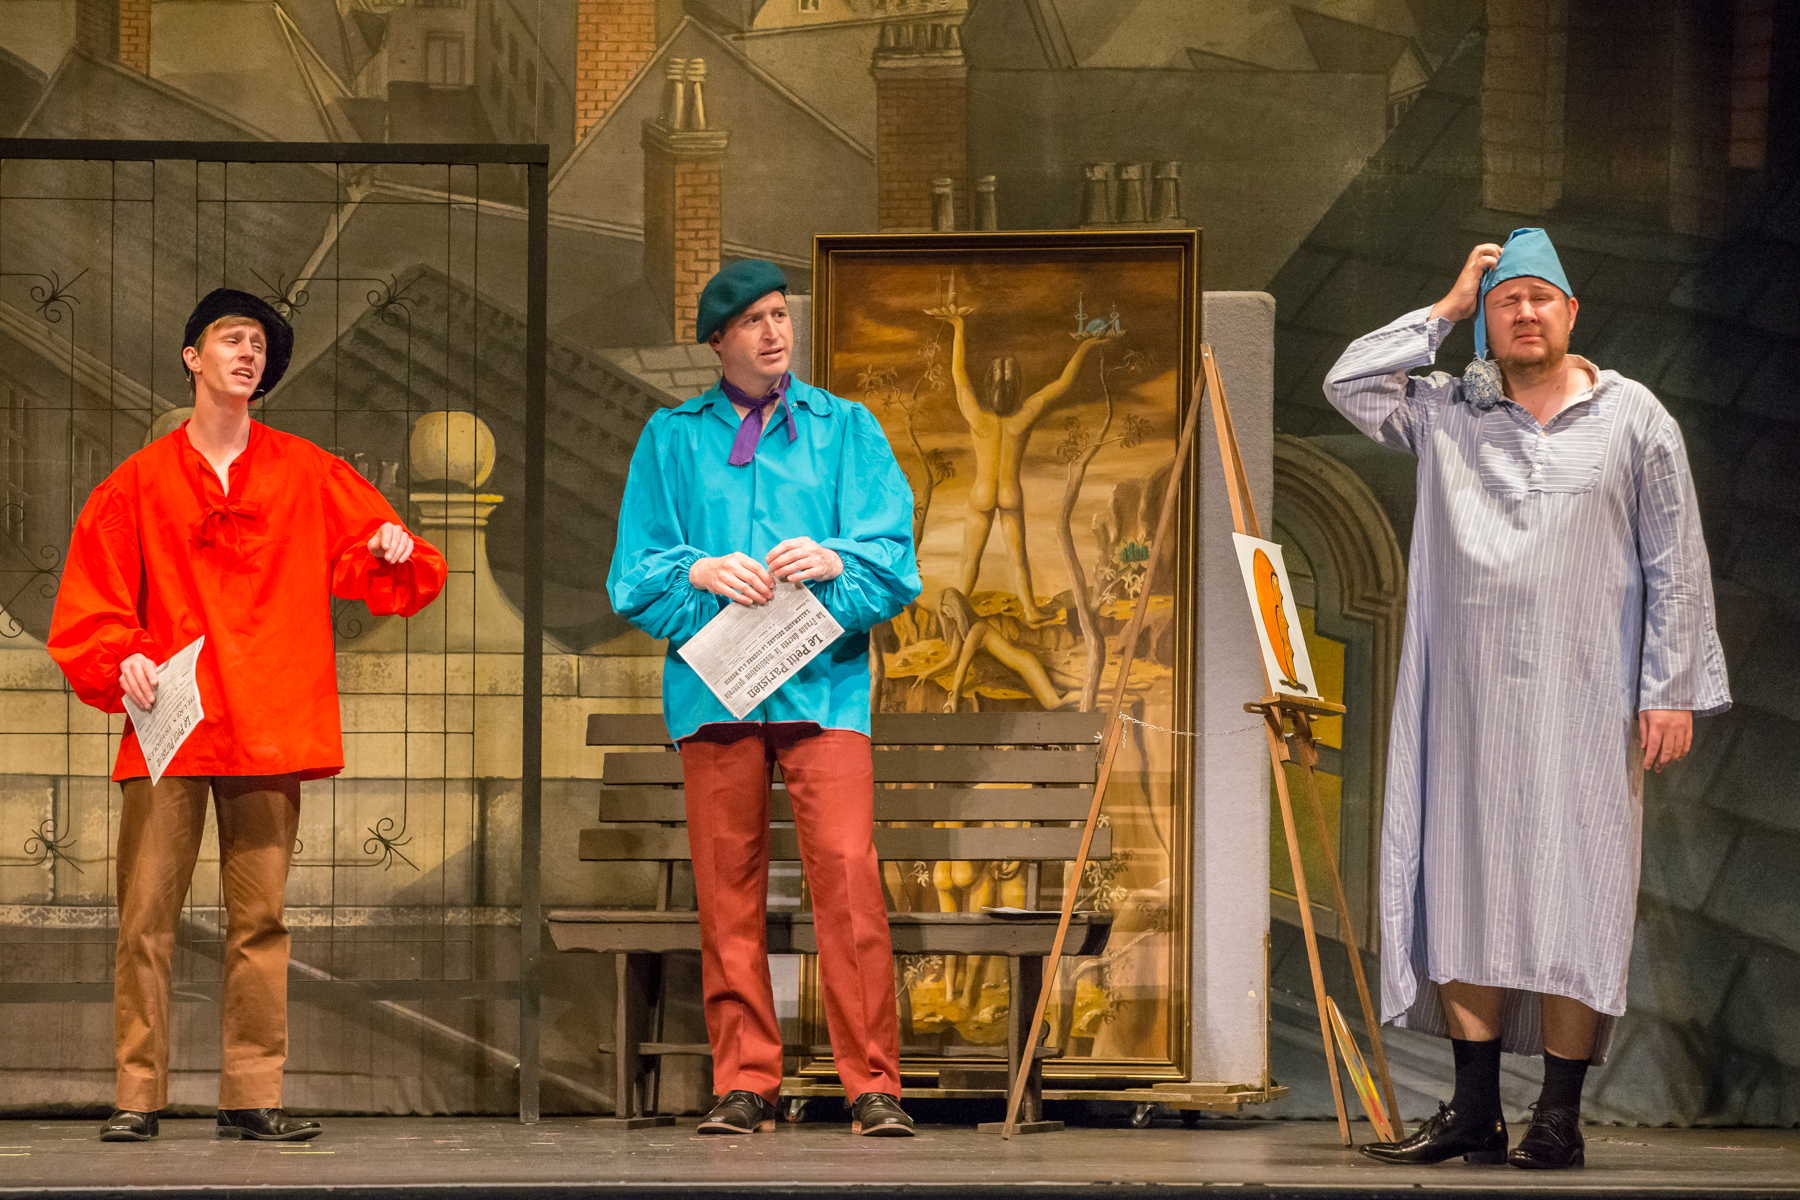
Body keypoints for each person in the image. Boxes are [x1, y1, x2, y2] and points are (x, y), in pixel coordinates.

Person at [1324, 229, 1729, 1170]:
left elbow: (1675, 558)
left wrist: (1670, 688)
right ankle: (1473, 1110)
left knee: (1579, 889)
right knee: (1465, 883)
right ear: (1489, 319)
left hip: (1588, 702)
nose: (1525, 313)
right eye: (1508, 301)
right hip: (1468, 703)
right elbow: (1349, 382)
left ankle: (1557, 1116)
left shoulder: (1632, 417)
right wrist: (1446, 309)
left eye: (1540, 297)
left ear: (1572, 311)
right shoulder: (1447, 411)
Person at [48, 289, 447, 1143]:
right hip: (174, 724)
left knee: (259, 920)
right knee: (145, 918)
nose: (248, 354)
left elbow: (386, 562)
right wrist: (124, 655)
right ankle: (137, 1093)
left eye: (259, 345)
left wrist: (391, 546)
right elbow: (92, 602)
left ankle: (251, 1092)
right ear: (193, 357)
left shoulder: (305, 471)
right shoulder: (139, 482)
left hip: (268, 720)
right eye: (232, 339)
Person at [607, 260, 922, 1137]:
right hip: (719, 692)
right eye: (753, 320)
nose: (775, 332)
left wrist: (835, 559)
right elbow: (635, 572)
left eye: (781, 315)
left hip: (824, 691)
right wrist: (699, 570)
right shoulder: (672, 438)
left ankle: (873, 1083)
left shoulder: (845, 429)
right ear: (718, 341)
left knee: (848, 878)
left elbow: (892, 558)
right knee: (727, 888)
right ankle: (745, 1080)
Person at [925, 299, 1107, 627]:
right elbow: (1062, 385)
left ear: (989, 388)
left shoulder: (978, 419)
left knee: (970, 559)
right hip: (1011, 494)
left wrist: (958, 327)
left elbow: (958, 375)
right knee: (1018, 559)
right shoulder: (1023, 418)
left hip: (981, 494)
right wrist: (1085, 348)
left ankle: (958, 615)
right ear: (1016, 388)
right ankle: (1031, 610)